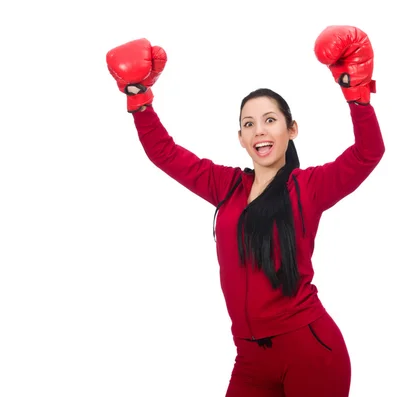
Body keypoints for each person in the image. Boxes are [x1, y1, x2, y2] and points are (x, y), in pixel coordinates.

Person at [106, 25, 385, 397]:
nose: (259, 131)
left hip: (310, 352)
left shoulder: (309, 188)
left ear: (292, 129)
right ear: (240, 138)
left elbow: (368, 153)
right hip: (250, 359)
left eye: (270, 120)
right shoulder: (226, 186)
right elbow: (165, 153)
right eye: (248, 124)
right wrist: (139, 98)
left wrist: (357, 94)